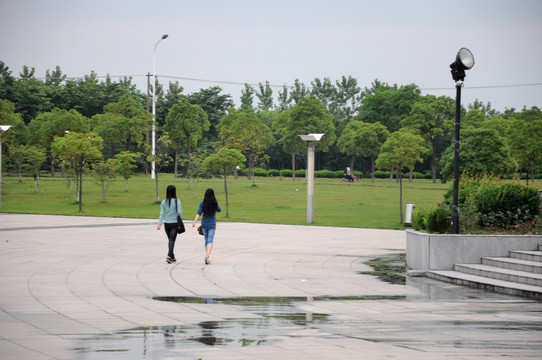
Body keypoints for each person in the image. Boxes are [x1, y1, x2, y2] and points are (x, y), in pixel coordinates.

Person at [192, 188, 222, 265]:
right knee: (210, 241)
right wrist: (216, 203)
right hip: (212, 224)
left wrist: (194, 221)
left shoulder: (202, 203)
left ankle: (208, 257)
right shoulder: (214, 203)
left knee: (206, 240)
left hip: (204, 224)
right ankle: (208, 255)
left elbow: (199, 212)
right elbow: (219, 210)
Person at [157, 185, 182, 264]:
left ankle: (172, 256)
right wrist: (180, 219)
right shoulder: (177, 201)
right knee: (172, 240)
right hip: (174, 223)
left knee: (171, 240)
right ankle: (168, 256)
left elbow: (161, 213)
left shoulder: (164, 202)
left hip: (166, 224)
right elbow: (179, 212)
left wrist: (159, 223)